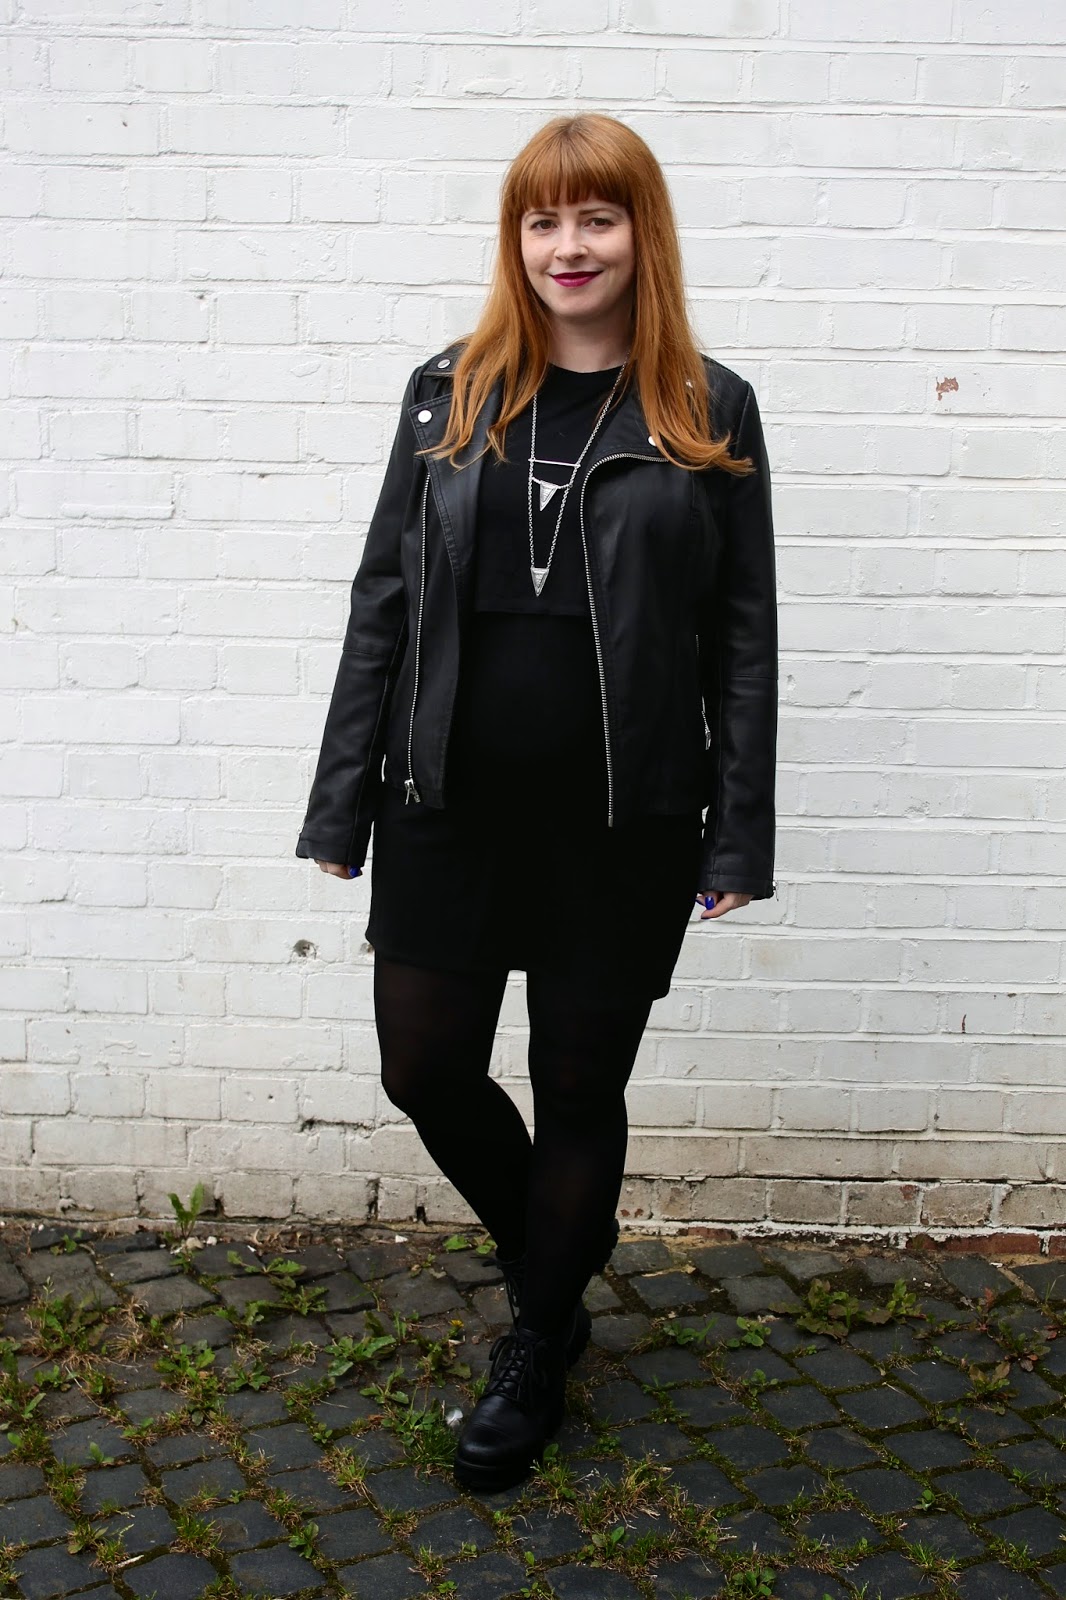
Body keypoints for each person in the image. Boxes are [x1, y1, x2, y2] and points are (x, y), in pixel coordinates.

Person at [295, 112, 777, 1492]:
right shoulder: (447, 391)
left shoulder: (708, 406)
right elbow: (383, 601)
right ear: (516, 239)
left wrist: (737, 828)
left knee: (576, 1083)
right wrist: (340, 802)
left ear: (641, 234)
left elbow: (742, 635)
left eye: (597, 217)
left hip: (623, 818)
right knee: (425, 1067)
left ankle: (537, 1336)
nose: (569, 246)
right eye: (542, 219)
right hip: (446, 801)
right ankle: (556, 1256)